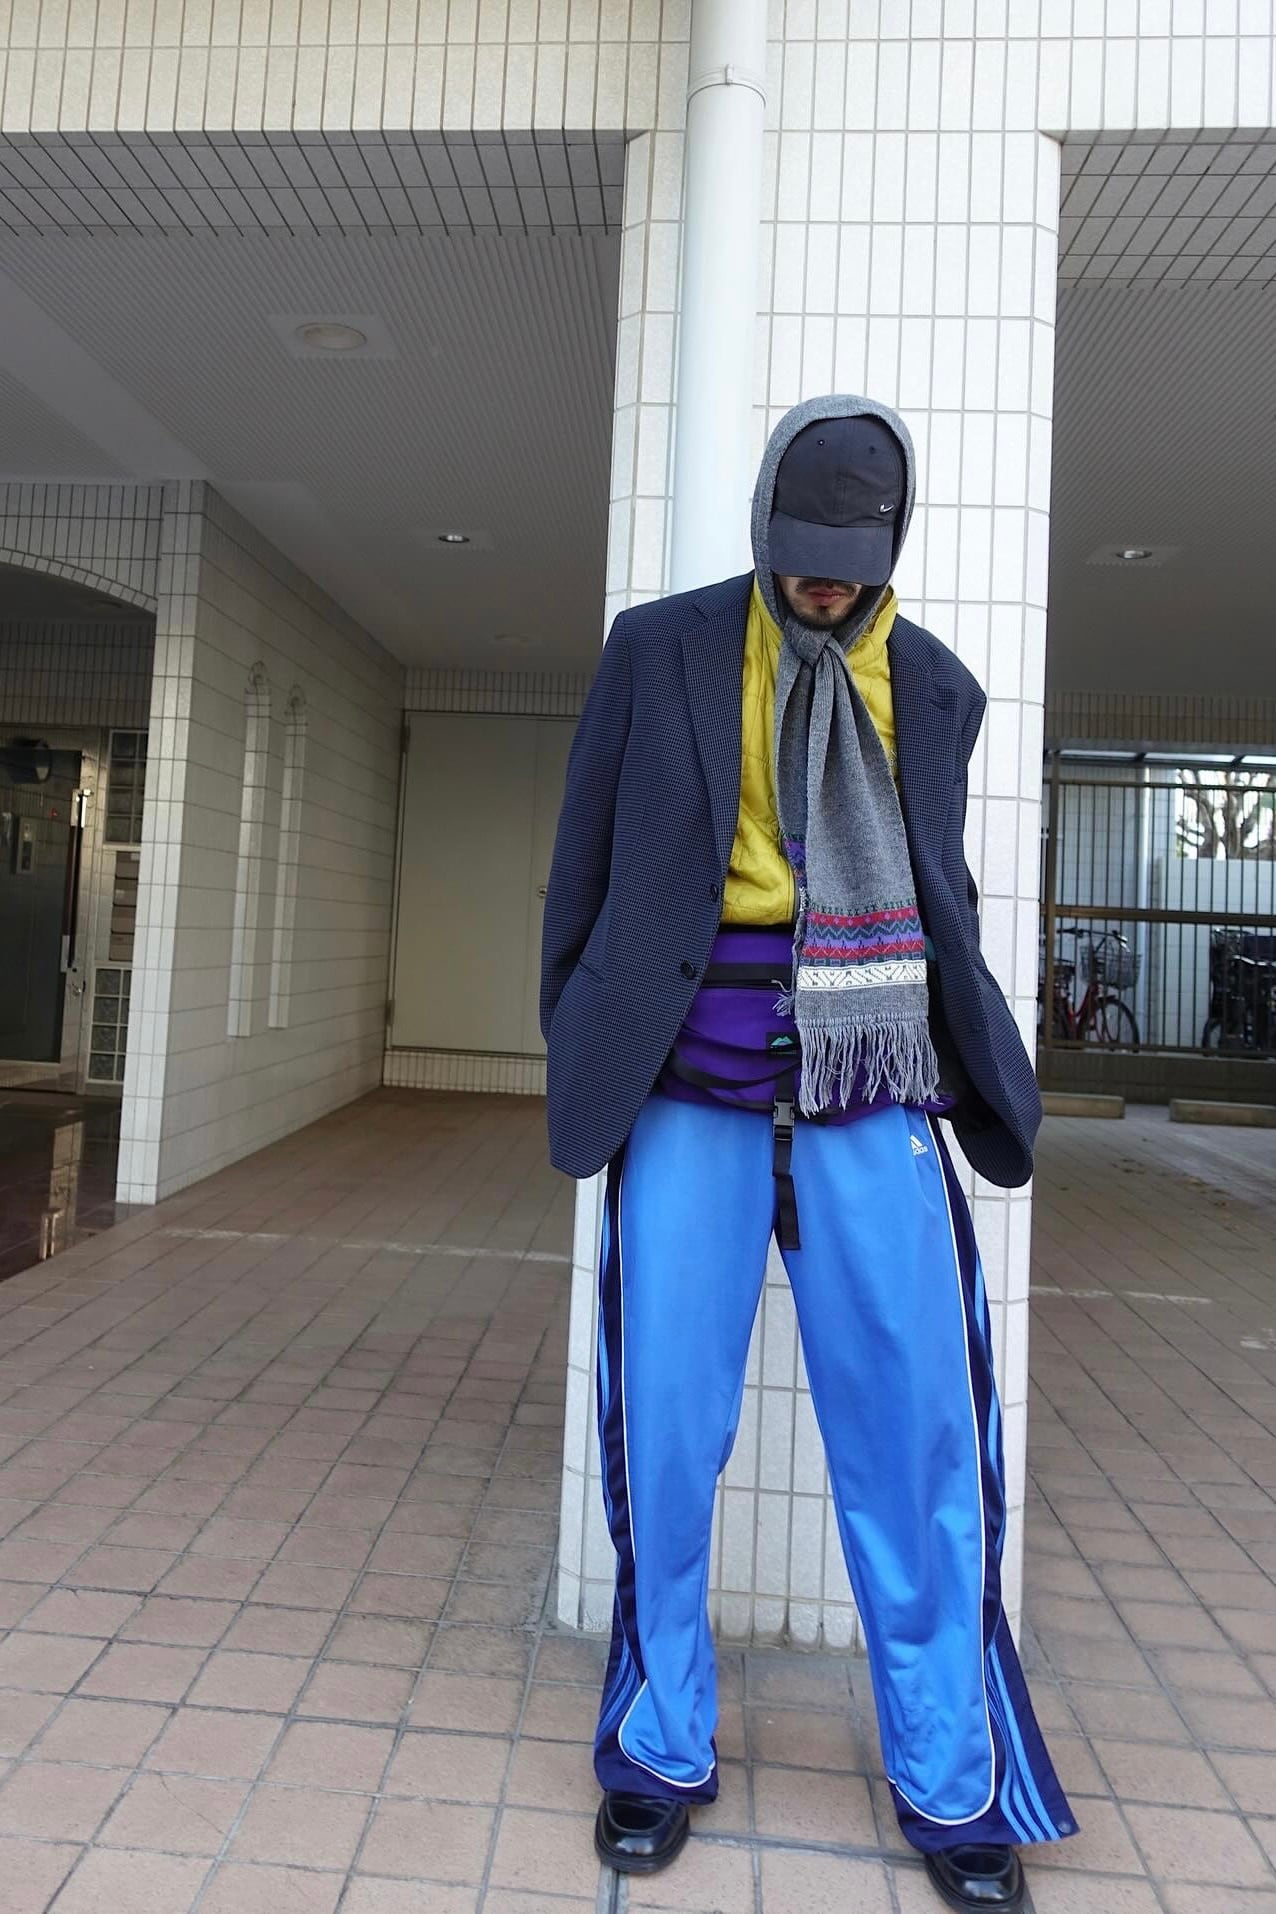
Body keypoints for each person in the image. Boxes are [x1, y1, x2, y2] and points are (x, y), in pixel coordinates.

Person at [539, 395, 1076, 1913]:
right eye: (797, 548)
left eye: (848, 556)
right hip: (687, 1087)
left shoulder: (937, 687)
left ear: (891, 544)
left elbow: (941, 890)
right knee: (665, 1428)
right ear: (764, 522)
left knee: (917, 1438)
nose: (819, 579)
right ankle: (660, 1743)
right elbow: (581, 869)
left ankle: (950, 1774)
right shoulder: (661, 649)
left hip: (872, 1086)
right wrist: (583, 1035)